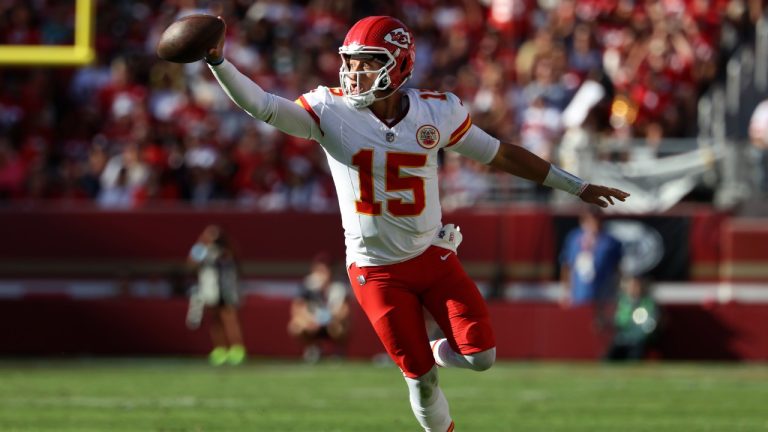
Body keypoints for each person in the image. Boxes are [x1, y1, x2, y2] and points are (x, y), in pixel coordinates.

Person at [200, 15, 629, 431]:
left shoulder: (435, 112)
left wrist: (576, 186)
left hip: (431, 254)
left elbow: (500, 154)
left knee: (481, 356)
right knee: (421, 382)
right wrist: (218, 61)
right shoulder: (331, 110)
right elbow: (262, 106)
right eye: (350, 62)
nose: (353, 74)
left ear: (398, 65)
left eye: (367, 63)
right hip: (376, 270)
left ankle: (435, 351)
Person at [186, 224, 247, 366]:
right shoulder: (202, 250)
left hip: (227, 289)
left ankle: (237, 348)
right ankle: (219, 349)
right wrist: (202, 244)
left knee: (230, 318)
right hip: (211, 289)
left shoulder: (227, 250)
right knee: (215, 320)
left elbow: (237, 265)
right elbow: (191, 264)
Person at [560, 208, 623, 328]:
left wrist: (616, 291)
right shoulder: (574, 239)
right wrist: (566, 291)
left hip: (603, 294)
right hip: (579, 295)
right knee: (578, 326)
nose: (593, 224)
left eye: (596, 220)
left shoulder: (610, 242)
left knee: (599, 326)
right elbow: (567, 265)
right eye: (589, 220)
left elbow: (618, 269)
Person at [287, 253, 351, 363]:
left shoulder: (340, 285)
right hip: (312, 323)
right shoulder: (307, 285)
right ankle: (313, 349)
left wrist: (329, 319)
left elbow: (345, 310)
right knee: (297, 327)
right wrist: (312, 320)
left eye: (328, 269)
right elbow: (297, 308)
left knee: (340, 327)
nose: (325, 273)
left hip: (332, 323)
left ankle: (337, 352)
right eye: (321, 269)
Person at [604, 275, 661, 361]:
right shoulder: (621, 302)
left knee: (634, 359)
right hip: (622, 339)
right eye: (631, 286)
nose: (633, 289)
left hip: (639, 341)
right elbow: (618, 321)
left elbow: (652, 322)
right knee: (608, 359)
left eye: (636, 286)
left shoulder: (648, 302)